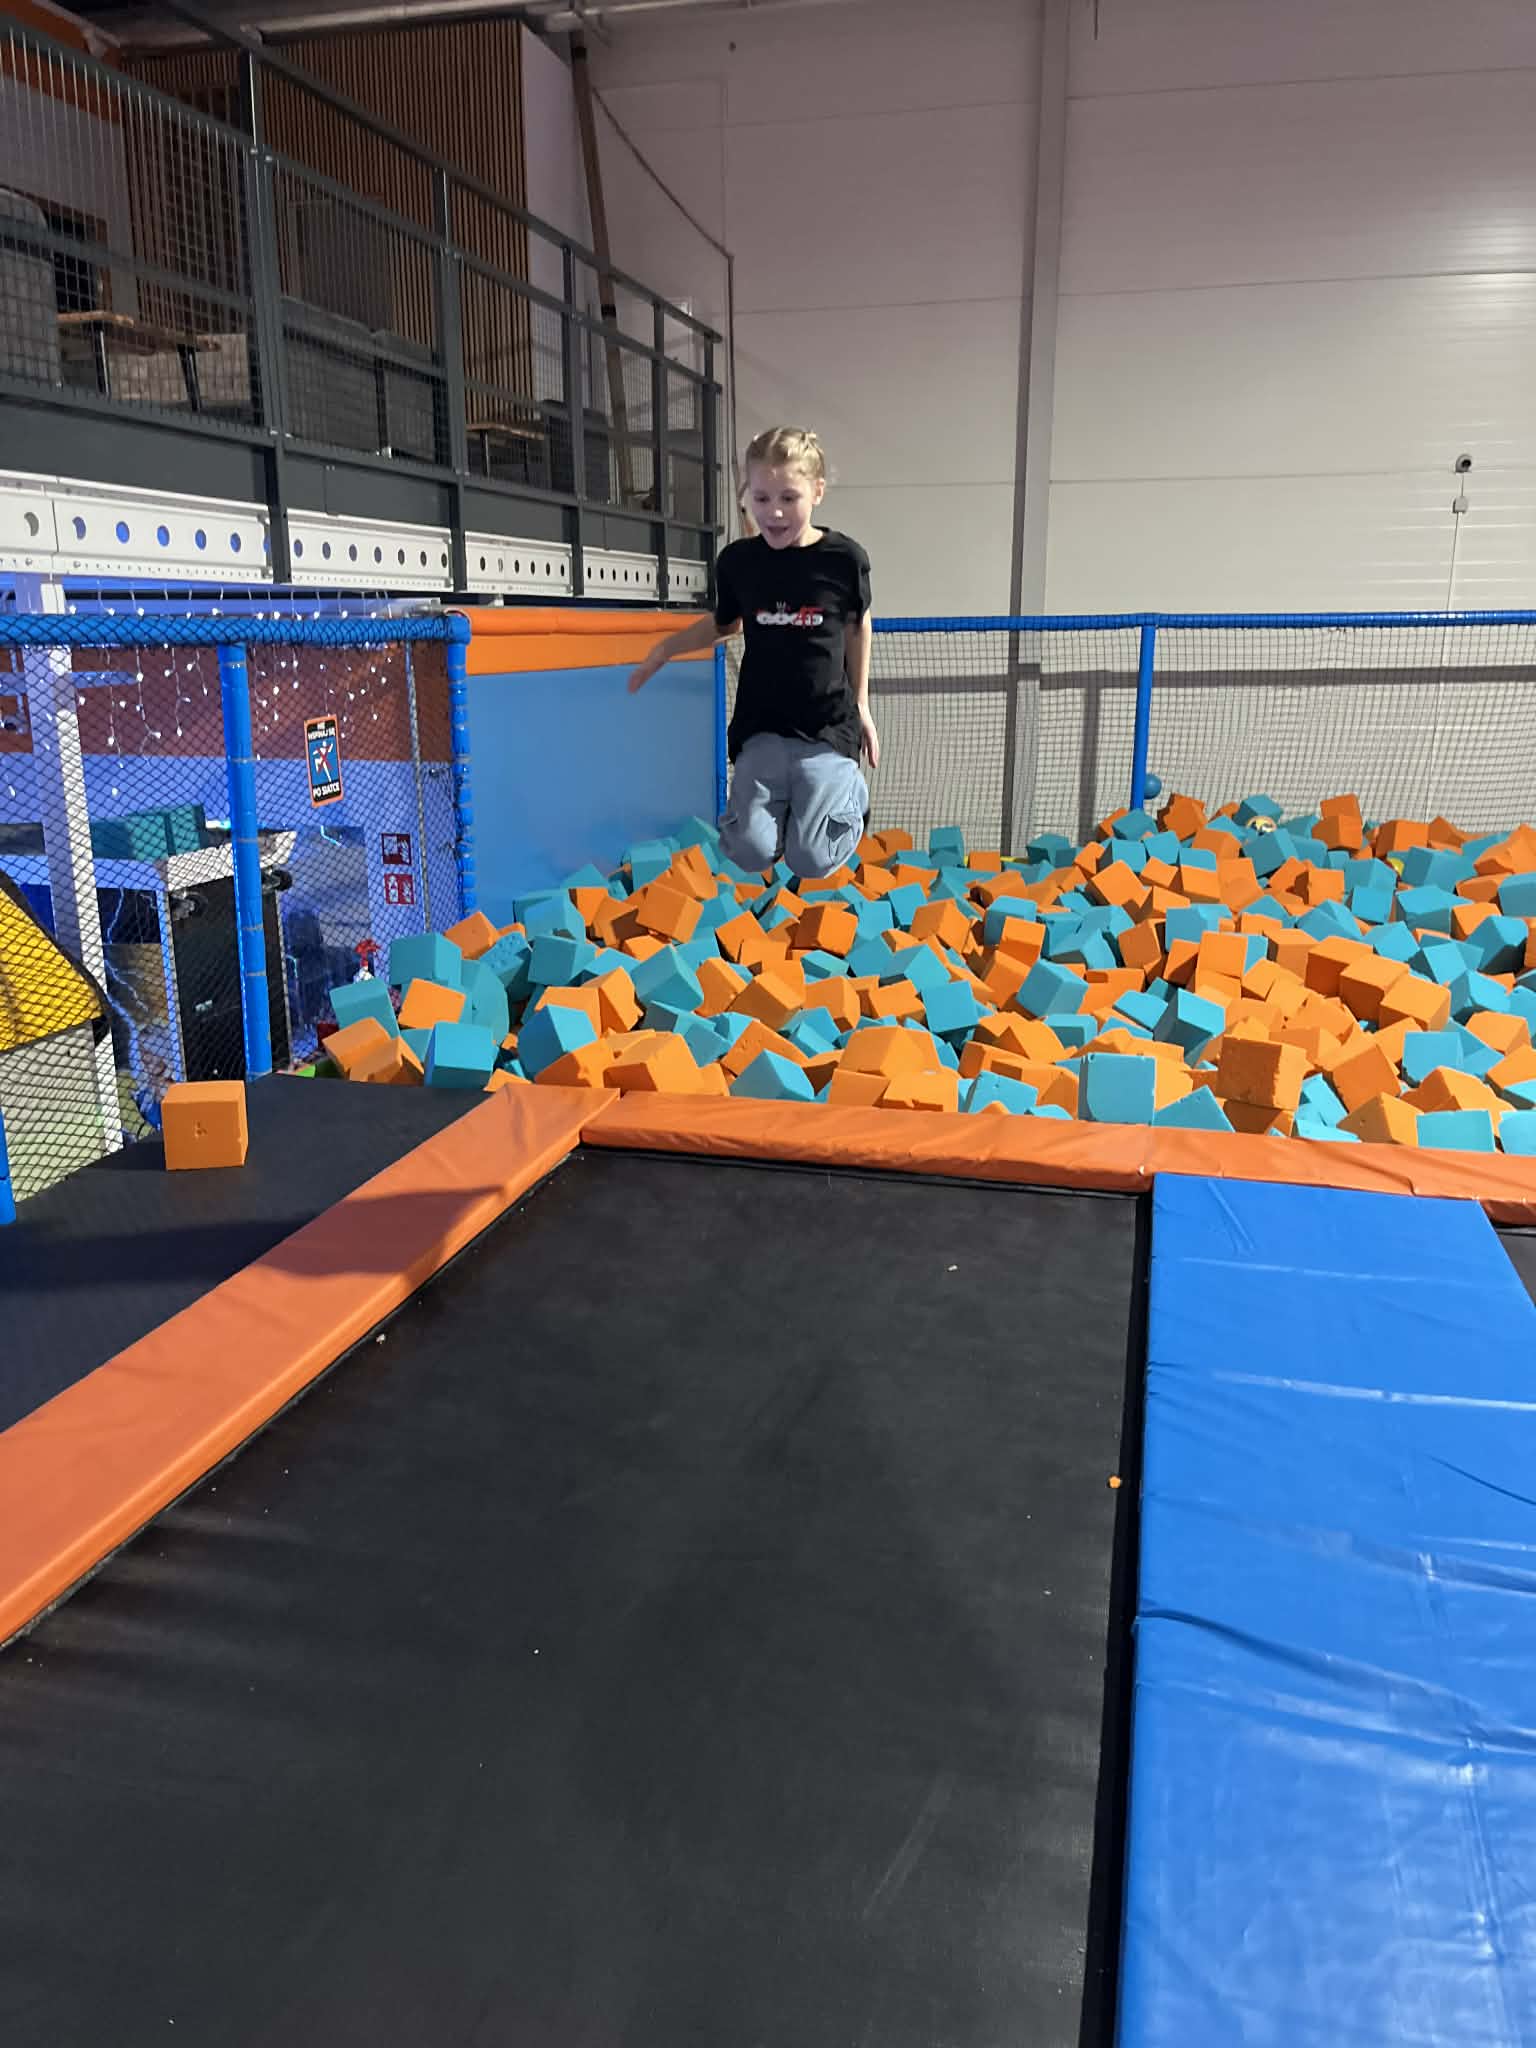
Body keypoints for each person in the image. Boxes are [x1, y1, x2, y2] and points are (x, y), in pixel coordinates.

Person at [627, 425, 879, 880]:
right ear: (748, 496)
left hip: (826, 730)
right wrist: (665, 649)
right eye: (762, 498)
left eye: (789, 497)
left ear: (817, 491)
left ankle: (847, 800)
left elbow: (857, 624)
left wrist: (861, 703)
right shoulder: (738, 562)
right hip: (761, 727)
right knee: (748, 851)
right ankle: (786, 816)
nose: (775, 512)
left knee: (811, 860)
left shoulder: (843, 559)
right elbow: (725, 623)